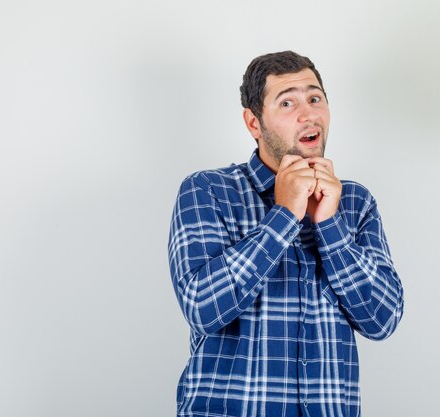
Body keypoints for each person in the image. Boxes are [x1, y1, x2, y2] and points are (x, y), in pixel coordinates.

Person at [168, 50, 404, 417]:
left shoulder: (355, 202)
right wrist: (284, 215)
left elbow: (382, 319)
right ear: (254, 123)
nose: (307, 114)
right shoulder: (207, 191)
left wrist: (329, 227)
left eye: (315, 98)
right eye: (287, 102)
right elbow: (201, 307)